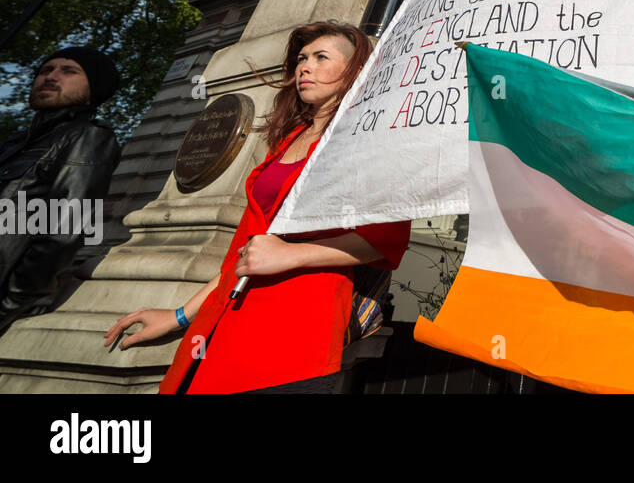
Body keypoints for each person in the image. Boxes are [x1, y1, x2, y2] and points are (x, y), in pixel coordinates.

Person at [105, 21, 410, 393]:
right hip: (224, 324)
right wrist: (180, 316)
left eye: (320, 57)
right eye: (301, 58)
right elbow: (245, 252)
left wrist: (291, 254)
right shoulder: (289, 139)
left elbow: (385, 238)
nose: (304, 67)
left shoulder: (367, 140)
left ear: (354, 71)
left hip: (292, 333)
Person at [1, 47, 121, 335]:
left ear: (93, 90)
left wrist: (9, 304)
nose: (51, 77)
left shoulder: (89, 137)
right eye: (45, 70)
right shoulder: (16, 142)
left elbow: (63, 230)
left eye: (69, 71)